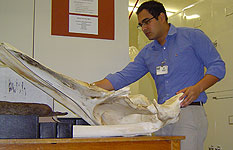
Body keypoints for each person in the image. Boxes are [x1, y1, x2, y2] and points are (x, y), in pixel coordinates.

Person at [91, 1, 225, 150]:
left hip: (188, 114)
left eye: (147, 22)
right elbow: (123, 77)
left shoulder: (192, 36)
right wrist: (88, 88)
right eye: (141, 25)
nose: (144, 28)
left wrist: (197, 88)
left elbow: (218, 67)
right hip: (162, 118)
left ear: (161, 17)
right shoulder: (147, 53)